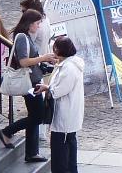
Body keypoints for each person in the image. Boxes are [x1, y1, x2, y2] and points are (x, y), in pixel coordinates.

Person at [0, 9, 54, 163]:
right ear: (30, 24)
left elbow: (29, 58)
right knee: (38, 116)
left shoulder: (26, 36)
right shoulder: (22, 37)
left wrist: (44, 59)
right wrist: (42, 58)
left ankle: (31, 152)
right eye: (37, 23)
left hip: (33, 80)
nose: (38, 26)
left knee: (34, 115)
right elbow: (23, 61)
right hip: (29, 82)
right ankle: (7, 132)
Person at [39, 36, 84, 173]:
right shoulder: (67, 64)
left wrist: (48, 89)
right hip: (67, 115)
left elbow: (60, 90)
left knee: (61, 154)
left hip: (65, 116)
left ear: (59, 50)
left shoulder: (68, 68)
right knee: (68, 149)